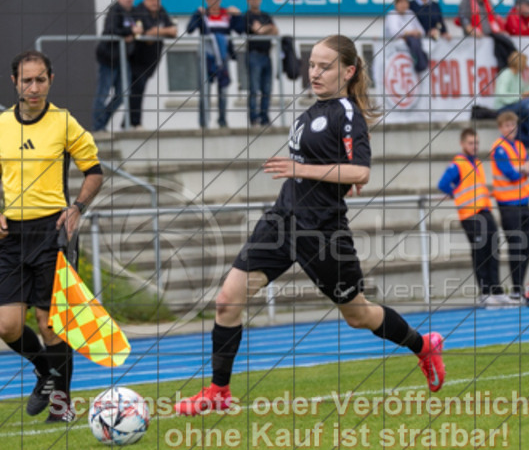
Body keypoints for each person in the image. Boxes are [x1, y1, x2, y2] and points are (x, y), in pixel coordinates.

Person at [173, 35, 446, 415]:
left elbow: (361, 168)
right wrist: (336, 176)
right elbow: (345, 168)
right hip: (282, 222)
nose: (314, 73)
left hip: (322, 233)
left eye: (325, 66)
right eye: (312, 64)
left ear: (348, 71)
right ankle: (219, 391)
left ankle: (423, 345)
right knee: (226, 300)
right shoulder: (308, 113)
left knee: (358, 315)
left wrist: (312, 171)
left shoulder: (347, 113)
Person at [0, 50, 104, 423]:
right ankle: (45, 373)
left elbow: (95, 171)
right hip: (12, 237)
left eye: (40, 79)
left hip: (53, 232)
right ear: (14, 82)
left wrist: (77, 208)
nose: (33, 87)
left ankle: (61, 404)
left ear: (50, 79)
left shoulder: (65, 122)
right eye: (26, 80)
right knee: (6, 325)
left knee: (50, 323)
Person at [437, 128, 508, 308]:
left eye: (476, 143)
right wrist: (456, 193)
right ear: (462, 144)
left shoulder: (476, 162)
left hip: (484, 210)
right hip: (470, 214)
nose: (474, 146)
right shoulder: (458, 164)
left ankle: (496, 291)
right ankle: (484, 293)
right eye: (470, 143)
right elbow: (443, 184)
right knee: (480, 252)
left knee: (493, 248)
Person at [490, 110, 529, 305]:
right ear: (501, 128)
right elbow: (510, 174)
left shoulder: (519, 146)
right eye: (508, 126)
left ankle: (519, 287)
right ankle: (517, 290)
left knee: (528, 245)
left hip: (524, 201)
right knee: (516, 245)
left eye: (513, 125)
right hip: (508, 204)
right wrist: (523, 168)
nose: (512, 129)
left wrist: (524, 169)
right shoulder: (499, 148)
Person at [186, 0, 242, 128]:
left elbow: (241, 29)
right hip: (206, 58)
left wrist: (238, 15)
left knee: (223, 91)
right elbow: (190, 29)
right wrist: (196, 15)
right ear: (206, 1)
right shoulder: (203, 15)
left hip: (223, 59)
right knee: (205, 91)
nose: (214, 2)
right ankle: (203, 123)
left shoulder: (226, 14)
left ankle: (222, 121)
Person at [93, 0, 142, 132]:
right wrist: (129, 32)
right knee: (103, 93)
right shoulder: (114, 10)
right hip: (109, 58)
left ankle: (103, 121)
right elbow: (110, 31)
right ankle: (98, 126)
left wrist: (133, 33)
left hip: (124, 59)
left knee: (123, 94)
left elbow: (138, 30)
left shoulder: (133, 13)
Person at [129, 0, 177, 130]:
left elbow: (173, 31)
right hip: (136, 60)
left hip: (151, 61)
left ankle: (129, 121)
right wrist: (163, 31)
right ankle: (134, 123)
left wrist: (159, 31)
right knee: (136, 91)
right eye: (152, 0)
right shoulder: (138, 11)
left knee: (140, 90)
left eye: (157, 0)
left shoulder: (161, 11)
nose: (155, 3)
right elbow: (148, 36)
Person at [458, 0, 517, 70]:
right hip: (476, 38)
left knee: (504, 44)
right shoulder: (467, 0)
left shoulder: (487, 0)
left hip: (490, 35)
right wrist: (471, 30)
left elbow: (493, 18)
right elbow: (463, 18)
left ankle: (511, 64)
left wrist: (500, 29)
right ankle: (512, 63)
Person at [494, 51, 529, 149]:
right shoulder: (506, 74)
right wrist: (520, 96)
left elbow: (525, 91)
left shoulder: (518, 76)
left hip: (515, 105)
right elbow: (502, 95)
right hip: (504, 107)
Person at [242, 0, 278, 126]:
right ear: (248, 0)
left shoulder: (266, 15)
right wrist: (265, 28)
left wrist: (264, 28)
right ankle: (254, 118)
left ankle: (264, 118)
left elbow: (275, 31)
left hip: (266, 56)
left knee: (267, 89)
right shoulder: (247, 16)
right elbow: (258, 30)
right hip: (253, 55)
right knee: (254, 89)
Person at [384, 0, 428, 72]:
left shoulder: (410, 13)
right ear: (396, 4)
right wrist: (409, 33)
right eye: (400, 2)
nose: (403, 5)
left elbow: (422, 31)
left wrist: (416, 32)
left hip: (412, 47)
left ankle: (420, 63)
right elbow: (394, 32)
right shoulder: (392, 15)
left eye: (405, 2)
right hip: (393, 51)